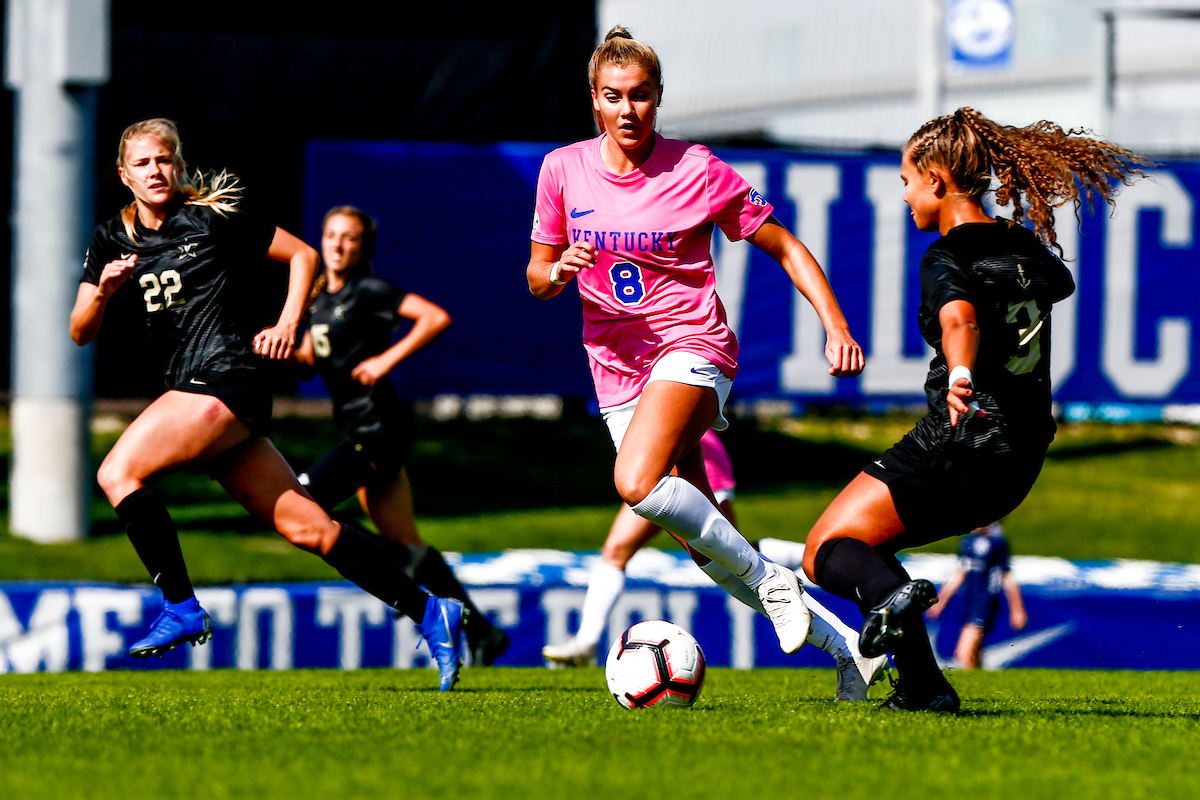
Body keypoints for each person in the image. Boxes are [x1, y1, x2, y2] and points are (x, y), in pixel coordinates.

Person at [70, 119, 466, 691]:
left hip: (226, 380)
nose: (157, 171)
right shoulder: (111, 237)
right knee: (313, 530)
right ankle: (432, 610)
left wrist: (286, 322)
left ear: (178, 164)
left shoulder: (208, 217)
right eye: (144, 163)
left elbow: (303, 255)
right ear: (123, 174)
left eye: (165, 160)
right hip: (195, 389)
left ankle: (180, 605)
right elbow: (80, 331)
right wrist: (104, 292)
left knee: (117, 471)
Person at [527, 27, 864, 659]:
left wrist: (836, 325)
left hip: (693, 348)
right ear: (594, 102)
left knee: (633, 479)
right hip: (615, 371)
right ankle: (850, 649)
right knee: (709, 551)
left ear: (659, 98)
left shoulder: (695, 168)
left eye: (642, 95)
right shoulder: (562, 170)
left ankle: (774, 582)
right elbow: (536, 275)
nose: (629, 110)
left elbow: (785, 245)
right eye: (614, 96)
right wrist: (556, 271)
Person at [801, 107, 1145, 712]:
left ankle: (891, 606)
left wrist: (960, 370)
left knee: (827, 548)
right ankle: (925, 688)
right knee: (873, 556)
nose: (905, 196)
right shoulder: (1026, 249)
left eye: (906, 180)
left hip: (963, 437)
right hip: (1022, 456)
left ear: (935, 178)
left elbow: (959, 317)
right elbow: (1051, 283)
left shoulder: (945, 257)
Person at [292, 205, 510, 666]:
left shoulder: (369, 291)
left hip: (379, 427)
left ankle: (394, 578)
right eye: (331, 235)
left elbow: (434, 317)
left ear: (362, 246)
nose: (337, 245)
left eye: (349, 237)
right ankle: (484, 634)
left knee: (305, 502)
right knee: (408, 544)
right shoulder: (318, 299)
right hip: (355, 426)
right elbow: (311, 358)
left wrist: (384, 361)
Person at [542, 430, 887, 701]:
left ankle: (831, 561)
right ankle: (587, 642)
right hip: (645, 452)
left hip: (682, 443)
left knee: (732, 554)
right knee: (626, 549)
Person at [927, 522, 1027, 669]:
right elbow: (961, 572)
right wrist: (940, 601)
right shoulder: (968, 540)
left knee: (964, 653)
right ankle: (984, 683)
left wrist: (1017, 609)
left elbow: (1007, 577)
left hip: (985, 604)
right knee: (975, 652)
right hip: (969, 603)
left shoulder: (997, 541)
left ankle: (967, 688)